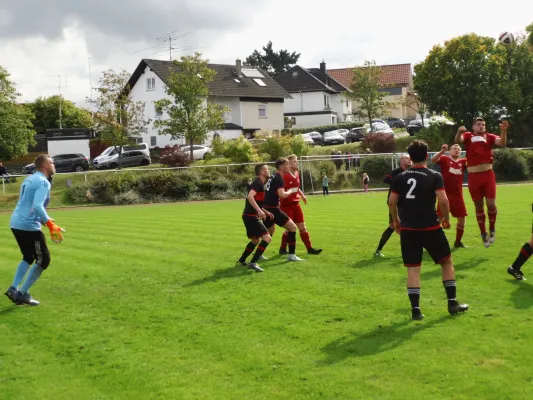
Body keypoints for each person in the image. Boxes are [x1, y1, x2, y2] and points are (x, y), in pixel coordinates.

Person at [389, 140, 468, 320]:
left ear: (410, 158)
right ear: (426, 156)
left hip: (408, 228)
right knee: (446, 262)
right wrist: (446, 219)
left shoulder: (400, 177)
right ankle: (452, 303)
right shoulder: (434, 175)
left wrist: (396, 221)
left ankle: (416, 311)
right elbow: (443, 200)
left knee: (413, 269)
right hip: (430, 226)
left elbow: (392, 202)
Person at [4, 155, 66, 306]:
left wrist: (46, 220)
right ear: (45, 166)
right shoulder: (43, 182)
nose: (54, 165)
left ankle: (14, 288)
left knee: (28, 256)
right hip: (28, 225)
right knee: (43, 259)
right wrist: (50, 225)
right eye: (52, 162)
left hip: (16, 222)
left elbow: (27, 204)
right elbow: (37, 206)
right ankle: (22, 294)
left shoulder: (30, 178)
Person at [455, 117, 508, 247]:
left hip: (488, 174)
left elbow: (502, 143)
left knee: (491, 204)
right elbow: (458, 140)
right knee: (479, 206)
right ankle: (483, 233)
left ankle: (492, 229)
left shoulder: (489, 137)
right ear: (473, 127)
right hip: (474, 176)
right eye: (478, 124)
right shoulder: (468, 135)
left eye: (483, 125)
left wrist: (503, 131)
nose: (481, 126)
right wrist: (459, 132)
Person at [279, 155, 322, 255]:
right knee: (290, 228)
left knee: (302, 227)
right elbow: (280, 191)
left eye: (297, 161)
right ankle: (283, 248)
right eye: (294, 161)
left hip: (296, 204)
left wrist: (302, 195)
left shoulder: (297, 173)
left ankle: (309, 248)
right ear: (288, 164)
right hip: (286, 205)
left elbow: (296, 187)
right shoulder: (284, 176)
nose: (297, 163)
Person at [263, 158, 304, 262]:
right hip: (273, 209)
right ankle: (291, 255)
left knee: (269, 232)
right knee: (292, 227)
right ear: (281, 166)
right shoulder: (279, 178)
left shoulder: (272, 177)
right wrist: (290, 191)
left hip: (267, 208)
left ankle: (259, 254)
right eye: (287, 164)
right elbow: (282, 194)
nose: (289, 166)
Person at [238, 163, 274, 272]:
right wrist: (259, 211)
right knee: (267, 238)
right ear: (262, 172)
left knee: (255, 241)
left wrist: (265, 211)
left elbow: (255, 202)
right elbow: (250, 197)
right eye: (267, 169)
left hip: (248, 216)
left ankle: (242, 259)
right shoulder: (258, 182)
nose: (269, 170)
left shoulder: (259, 183)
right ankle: (253, 262)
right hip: (251, 216)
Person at [430, 144, 468, 248]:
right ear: (450, 151)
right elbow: (433, 159)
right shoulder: (445, 158)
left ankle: (458, 241)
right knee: (439, 217)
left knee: (462, 216)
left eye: (459, 149)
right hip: (445, 193)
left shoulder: (463, 161)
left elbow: (473, 165)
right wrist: (442, 151)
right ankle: (433, 241)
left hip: (457, 194)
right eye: (454, 149)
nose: (456, 150)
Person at [373, 155, 412, 257]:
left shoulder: (412, 172)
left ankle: (412, 249)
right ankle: (378, 250)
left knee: (410, 224)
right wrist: (398, 182)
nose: (410, 159)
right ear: (401, 162)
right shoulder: (396, 172)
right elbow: (386, 180)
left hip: (407, 203)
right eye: (407, 158)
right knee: (393, 226)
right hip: (395, 202)